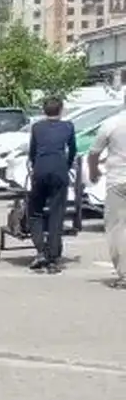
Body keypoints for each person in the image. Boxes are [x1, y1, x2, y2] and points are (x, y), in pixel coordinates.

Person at [25, 96, 77, 272]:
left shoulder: (37, 127)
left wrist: (35, 166)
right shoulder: (68, 127)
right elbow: (73, 151)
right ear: (61, 110)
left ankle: (40, 251)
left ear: (43, 111)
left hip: (40, 171)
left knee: (35, 212)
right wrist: (67, 166)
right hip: (59, 172)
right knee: (57, 214)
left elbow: (32, 151)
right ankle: (53, 258)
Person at [88, 103, 126, 288]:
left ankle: (124, 275)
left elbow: (94, 153)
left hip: (118, 181)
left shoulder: (112, 123)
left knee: (117, 228)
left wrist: (93, 172)